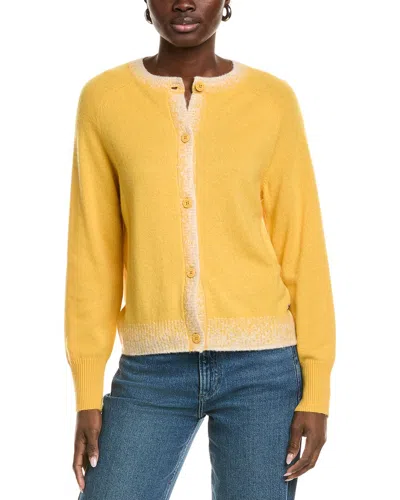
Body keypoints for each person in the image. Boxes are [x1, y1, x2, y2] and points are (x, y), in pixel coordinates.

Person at [64, 1, 336, 498]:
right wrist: (86, 391)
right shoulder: (104, 99)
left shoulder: (271, 101)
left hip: (263, 369)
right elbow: (92, 255)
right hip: (151, 371)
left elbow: (303, 249)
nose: (184, 2)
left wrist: (316, 391)